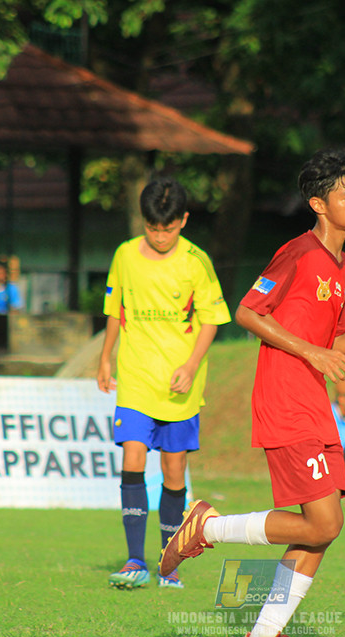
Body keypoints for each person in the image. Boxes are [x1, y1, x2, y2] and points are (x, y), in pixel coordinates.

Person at [159, 148, 345, 637]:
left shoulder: (344, 268)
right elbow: (247, 311)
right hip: (285, 397)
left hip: (314, 402)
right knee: (324, 524)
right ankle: (206, 527)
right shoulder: (298, 252)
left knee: (323, 530)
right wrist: (311, 353)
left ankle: (262, 636)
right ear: (318, 204)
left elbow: (338, 340)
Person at [96, 177, 231, 590]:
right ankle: (135, 561)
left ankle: (167, 565)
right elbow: (116, 308)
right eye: (153, 228)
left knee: (174, 471)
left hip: (179, 386)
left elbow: (211, 319)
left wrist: (191, 366)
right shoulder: (124, 256)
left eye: (168, 228)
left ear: (183, 221)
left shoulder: (196, 262)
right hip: (135, 378)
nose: (159, 236)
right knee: (132, 457)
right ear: (144, 221)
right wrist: (105, 356)